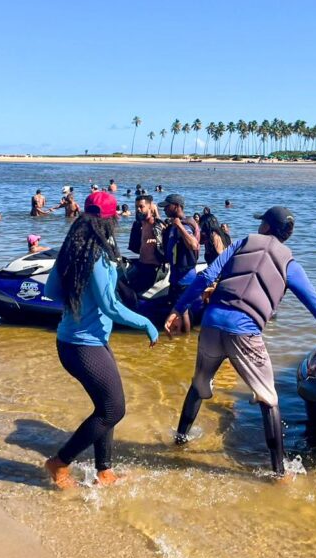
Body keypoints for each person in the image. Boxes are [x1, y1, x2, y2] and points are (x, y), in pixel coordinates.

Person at [166, 206, 316, 478]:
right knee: (268, 399)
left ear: (267, 227)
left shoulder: (242, 243)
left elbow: (206, 276)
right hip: (245, 332)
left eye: (262, 223)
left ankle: (179, 441)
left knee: (200, 383)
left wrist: (178, 309)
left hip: (212, 324)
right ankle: (279, 473)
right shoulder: (290, 265)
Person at [43, 191, 159, 489]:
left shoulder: (72, 250)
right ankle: (59, 462)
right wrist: (146, 323)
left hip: (73, 341)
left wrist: (79, 300)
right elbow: (111, 306)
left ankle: (104, 471)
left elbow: (51, 291)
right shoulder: (98, 256)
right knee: (113, 410)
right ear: (108, 221)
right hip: (84, 346)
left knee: (105, 407)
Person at [160, 194, 201, 332]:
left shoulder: (184, 224)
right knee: (180, 309)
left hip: (184, 277)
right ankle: (182, 340)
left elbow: (193, 245)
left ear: (176, 206)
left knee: (182, 310)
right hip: (176, 276)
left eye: (167, 206)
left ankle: (185, 339)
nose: (165, 209)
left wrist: (179, 226)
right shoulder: (175, 224)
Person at [127, 195, 165, 294]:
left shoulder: (156, 224)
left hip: (152, 267)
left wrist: (155, 241)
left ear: (150, 207)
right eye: (136, 207)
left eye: (141, 206)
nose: (138, 209)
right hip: (141, 263)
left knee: (132, 291)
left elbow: (164, 238)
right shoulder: (140, 223)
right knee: (123, 281)